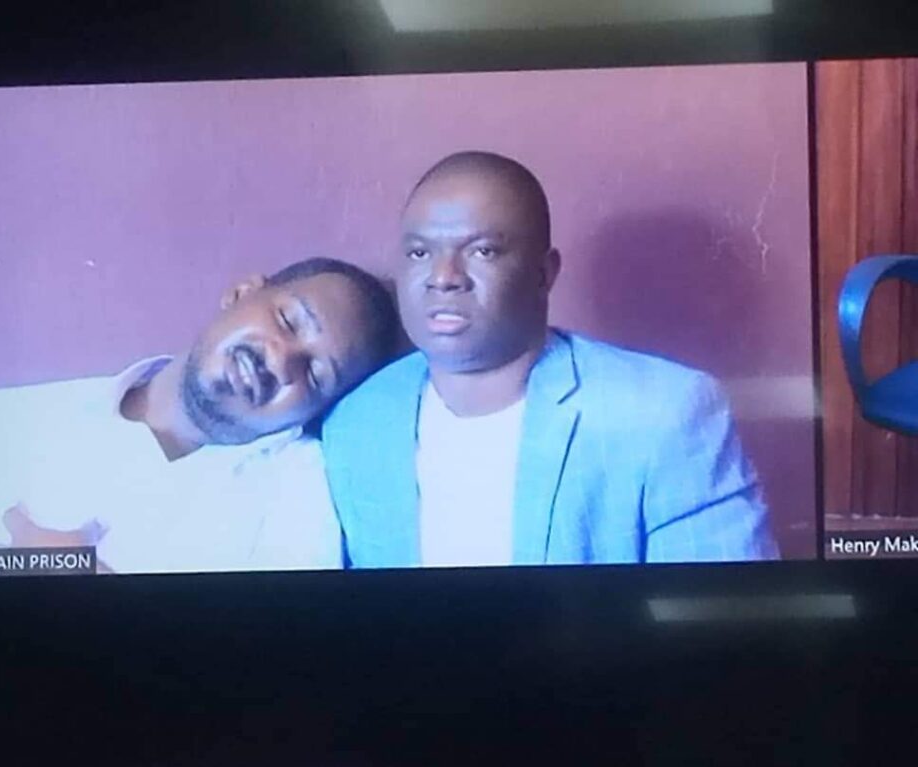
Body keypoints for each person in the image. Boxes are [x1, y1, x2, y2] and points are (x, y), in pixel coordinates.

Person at [322, 151, 779, 567]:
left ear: (544, 274)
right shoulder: (356, 421)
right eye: (420, 252)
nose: (443, 277)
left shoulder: (664, 412)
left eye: (482, 251)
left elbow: (716, 616)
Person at [0, 257, 400, 574]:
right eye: (288, 320)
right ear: (240, 294)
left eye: (315, 374)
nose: (279, 360)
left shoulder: (298, 498)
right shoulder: (2, 420)